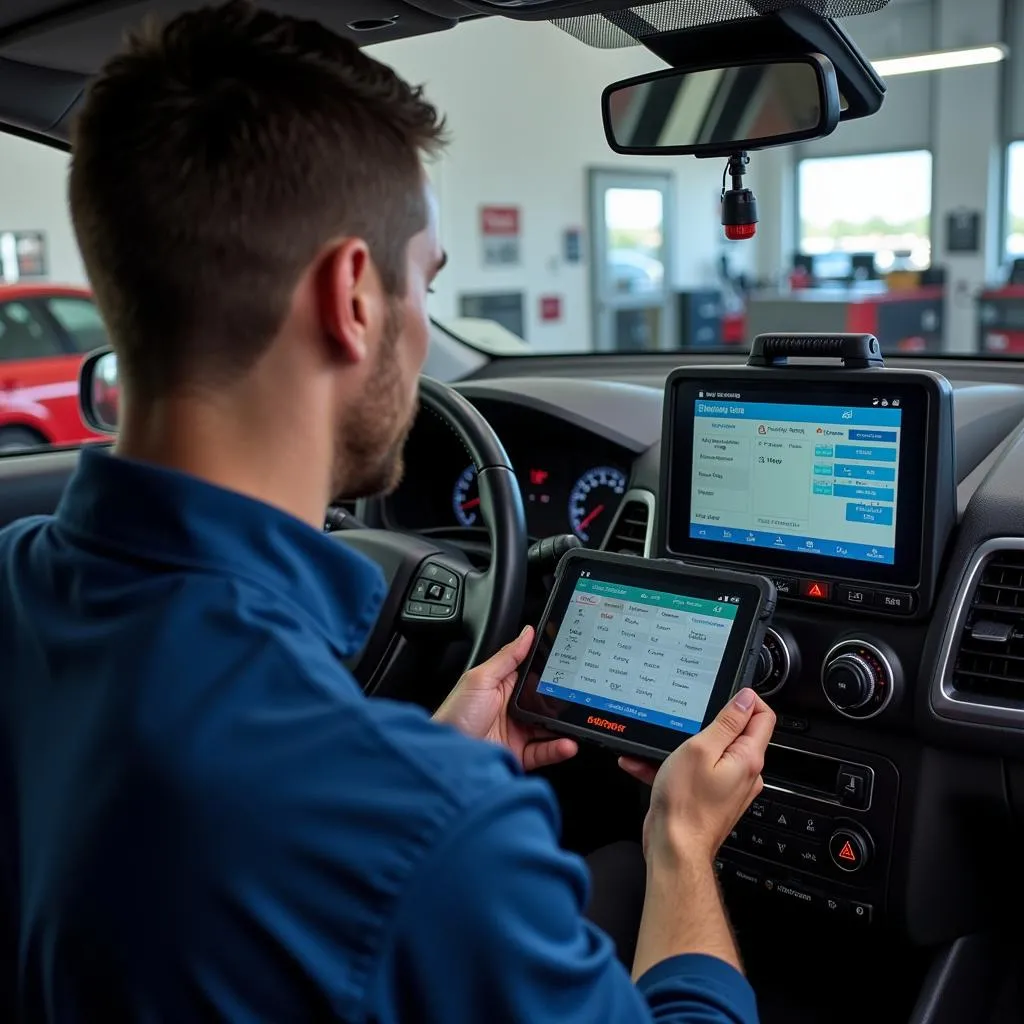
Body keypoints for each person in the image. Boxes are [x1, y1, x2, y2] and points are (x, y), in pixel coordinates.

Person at [0, 2, 775, 1021]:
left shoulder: (17, 578)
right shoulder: (425, 831)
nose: (419, 334)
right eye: (425, 286)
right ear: (353, 297)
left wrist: (439, 762)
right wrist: (678, 841)